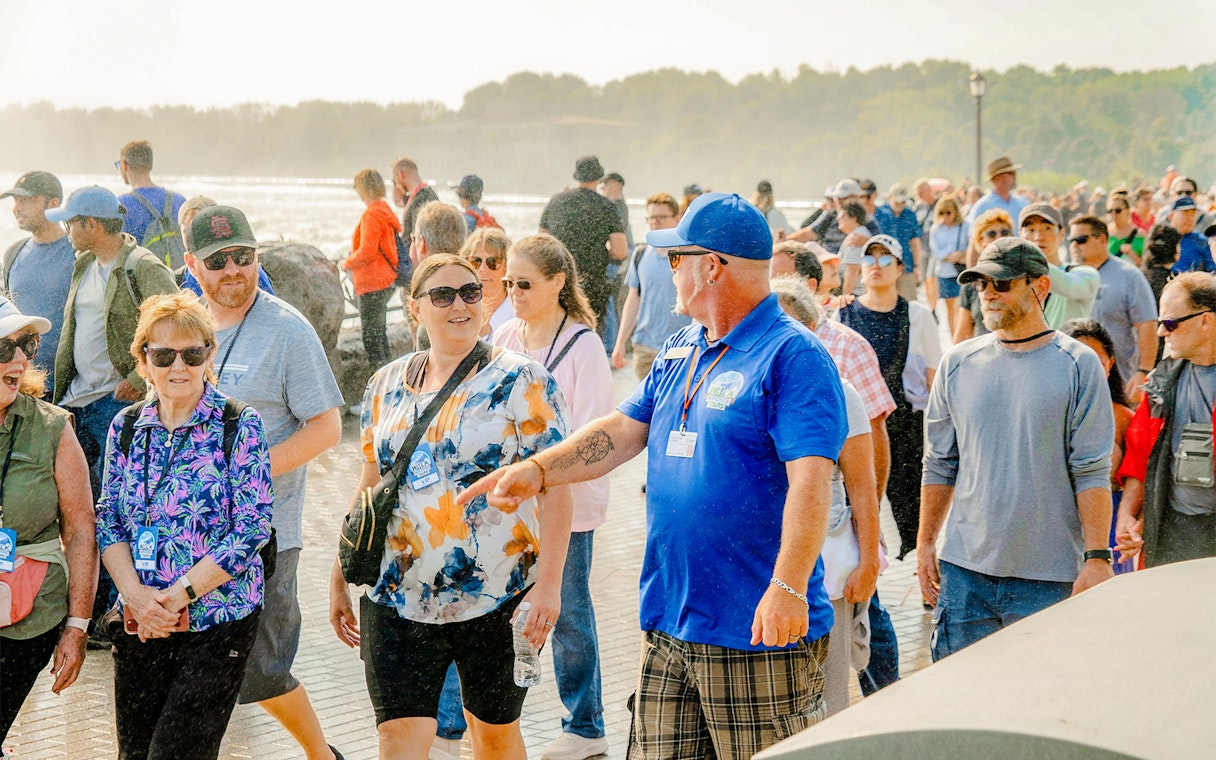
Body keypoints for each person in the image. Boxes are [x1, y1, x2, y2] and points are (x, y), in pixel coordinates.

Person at [460, 193, 848, 758]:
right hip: (670, 618)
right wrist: (539, 469)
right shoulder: (681, 346)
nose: (667, 273)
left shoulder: (794, 356)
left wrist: (788, 587)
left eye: (675, 259)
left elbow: (813, 482)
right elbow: (621, 431)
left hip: (756, 629)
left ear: (710, 266)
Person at [328, 253, 574, 759]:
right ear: (415, 308)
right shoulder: (385, 385)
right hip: (396, 592)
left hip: (498, 592)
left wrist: (548, 588)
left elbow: (557, 487)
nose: (459, 304)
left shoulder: (523, 381)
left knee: (493, 735)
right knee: (397, 738)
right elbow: (369, 484)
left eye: (470, 292)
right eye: (442, 295)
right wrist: (337, 573)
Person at [183, 206, 346, 760]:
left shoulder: (286, 329)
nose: (233, 270)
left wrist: (245, 472)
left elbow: (326, 428)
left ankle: (323, 755)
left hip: (267, 535)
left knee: (263, 672)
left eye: (244, 257)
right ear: (192, 265)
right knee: (202, 666)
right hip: (195, 537)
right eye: (218, 260)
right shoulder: (189, 330)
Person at [918, 238, 1116, 660]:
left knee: (1039, 707)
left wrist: (1097, 558)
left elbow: (1091, 470)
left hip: (1048, 578)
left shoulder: (1079, 365)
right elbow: (938, 464)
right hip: (964, 572)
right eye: (981, 283)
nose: (988, 293)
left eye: (1002, 284)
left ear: (1041, 286)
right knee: (961, 706)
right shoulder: (956, 363)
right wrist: (925, 544)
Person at [96, 291, 273, 760]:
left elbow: (252, 528)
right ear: (143, 359)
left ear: (209, 356)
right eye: (164, 354)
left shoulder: (240, 424)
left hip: (218, 619)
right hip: (141, 621)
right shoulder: (125, 427)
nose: (180, 366)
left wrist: (175, 600)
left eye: (193, 353)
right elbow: (108, 519)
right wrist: (138, 598)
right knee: (134, 754)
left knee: (177, 752)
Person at [494, 234, 614, 759]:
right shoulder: (504, 335)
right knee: (496, 611)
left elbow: (591, 431)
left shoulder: (583, 345)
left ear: (558, 283)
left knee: (566, 614)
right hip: (508, 505)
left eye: (524, 284)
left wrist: (540, 470)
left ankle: (586, 726)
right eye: (507, 284)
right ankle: (490, 720)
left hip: (568, 503)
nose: (513, 292)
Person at [771, 276, 881, 717]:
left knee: (829, 692)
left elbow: (863, 486)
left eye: (793, 326)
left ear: (814, 331)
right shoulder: (754, 390)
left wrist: (869, 561)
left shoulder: (842, 392)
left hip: (830, 565)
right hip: (771, 565)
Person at [0, 301, 97, 743]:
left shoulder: (52, 428)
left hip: (28, 612)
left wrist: (77, 628)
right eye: (5, 347)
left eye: (27, 345)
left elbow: (79, 531)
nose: (20, 359)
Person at [47, 186, 178, 492]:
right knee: (77, 498)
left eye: (70, 224)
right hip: (77, 401)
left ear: (91, 225)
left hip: (116, 403)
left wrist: (137, 377)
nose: (66, 231)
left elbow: (178, 326)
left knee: (119, 495)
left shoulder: (142, 266)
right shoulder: (84, 264)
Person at [841, 235, 941, 561]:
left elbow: (933, 376)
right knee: (851, 503)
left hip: (906, 421)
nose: (876, 266)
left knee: (911, 503)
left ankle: (923, 571)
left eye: (886, 260)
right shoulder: (842, 314)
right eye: (870, 259)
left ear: (900, 268)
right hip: (855, 425)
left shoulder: (917, 314)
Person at [1115, 272, 1216, 567]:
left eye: (1170, 323)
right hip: (1175, 531)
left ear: (1206, 320)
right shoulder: (1161, 382)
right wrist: (1127, 517)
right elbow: (1139, 457)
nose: (1161, 332)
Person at [1062, 319, 1136, 574]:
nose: (1086, 370)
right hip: (1059, 519)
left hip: (1109, 522)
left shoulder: (1125, 419)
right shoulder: (1046, 413)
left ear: (1110, 364)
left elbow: (1139, 479)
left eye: (1096, 361)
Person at [1068, 215, 1158, 401]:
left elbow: (1147, 325)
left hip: (1119, 382)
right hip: (1073, 382)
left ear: (1102, 240)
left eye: (1081, 240)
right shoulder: (1067, 277)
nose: (1075, 245)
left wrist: (1143, 371)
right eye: (1071, 240)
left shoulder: (1128, 276)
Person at [1, 171, 75, 393]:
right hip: (19, 381)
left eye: (26, 200)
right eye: (16, 200)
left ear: (53, 204)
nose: (17, 207)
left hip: (70, 387)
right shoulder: (13, 253)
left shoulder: (78, 254)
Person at [539, 156, 627, 333]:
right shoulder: (606, 206)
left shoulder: (556, 201)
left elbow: (541, 243)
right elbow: (620, 250)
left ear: (577, 176)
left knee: (557, 332)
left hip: (559, 281)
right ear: (598, 178)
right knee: (589, 334)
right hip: (593, 282)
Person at [612, 192, 692, 379]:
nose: (654, 222)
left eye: (661, 218)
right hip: (644, 346)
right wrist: (620, 342)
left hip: (680, 347)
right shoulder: (640, 255)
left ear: (677, 219)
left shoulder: (689, 256)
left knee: (674, 406)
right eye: (651, 218)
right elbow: (633, 300)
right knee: (645, 407)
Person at [342, 168, 401, 372]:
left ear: (363, 189)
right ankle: (390, 384)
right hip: (385, 280)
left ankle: (381, 387)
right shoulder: (384, 210)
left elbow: (367, 251)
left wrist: (346, 263)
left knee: (372, 340)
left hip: (372, 283)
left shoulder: (371, 214)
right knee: (379, 336)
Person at [1016, 202, 1099, 329]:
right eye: (1031, 230)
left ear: (1061, 234)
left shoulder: (1085, 274)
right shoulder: (1014, 280)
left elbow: (1068, 285)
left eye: (1047, 228)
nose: (1038, 237)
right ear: (1020, 235)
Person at [178, 196, 275, 297]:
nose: (232, 272)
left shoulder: (252, 274)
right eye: (186, 232)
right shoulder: (179, 278)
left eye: (199, 232)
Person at [115, 140, 188, 269]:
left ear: (125, 165)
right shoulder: (179, 200)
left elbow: (117, 253)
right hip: (179, 283)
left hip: (146, 281)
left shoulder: (121, 205)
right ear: (150, 165)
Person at [460, 227, 514, 338]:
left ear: (507, 267)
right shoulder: (458, 310)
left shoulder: (517, 316)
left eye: (492, 262)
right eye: (476, 261)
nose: (482, 268)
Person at [874, 184, 924, 303]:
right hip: (884, 264)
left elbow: (915, 241)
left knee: (908, 302)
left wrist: (917, 267)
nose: (900, 205)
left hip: (906, 264)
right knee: (885, 301)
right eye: (897, 202)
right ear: (890, 197)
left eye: (903, 202)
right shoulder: (880, 213)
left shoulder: (910, 214)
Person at [928, 195, 969, 329]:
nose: (945, 216)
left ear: (955, 211)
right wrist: (948, 256)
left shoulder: (965, 226)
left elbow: (972, 244)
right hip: (945, 271)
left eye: (948, 213)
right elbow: (934, 249)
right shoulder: (936, 228)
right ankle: (953, 338)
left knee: (963, 308)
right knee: (950, 308)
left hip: (962, 270)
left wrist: (961, 254)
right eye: (942, 213)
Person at [965, 156, 1028, 225]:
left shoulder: (1022, 203)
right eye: (1011, 173)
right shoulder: (982, 206)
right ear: (999, 178)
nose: (1014, 176)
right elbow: (974, 234)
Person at [1168, 196, 1216, 274]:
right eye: (1185, 213)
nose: (1190, 218)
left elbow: (1212, 271)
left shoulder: (1202, 241)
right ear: (1171, 216)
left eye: (1193, 213)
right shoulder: (1161, 238)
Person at [1106, 195, 1145, 266]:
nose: (1113, 214)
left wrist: (1131, 253)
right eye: (1110, 211)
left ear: (1127, 211)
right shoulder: (1105, 233)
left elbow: (1145, 265)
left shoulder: (1139, 234)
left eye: (1118, 211)